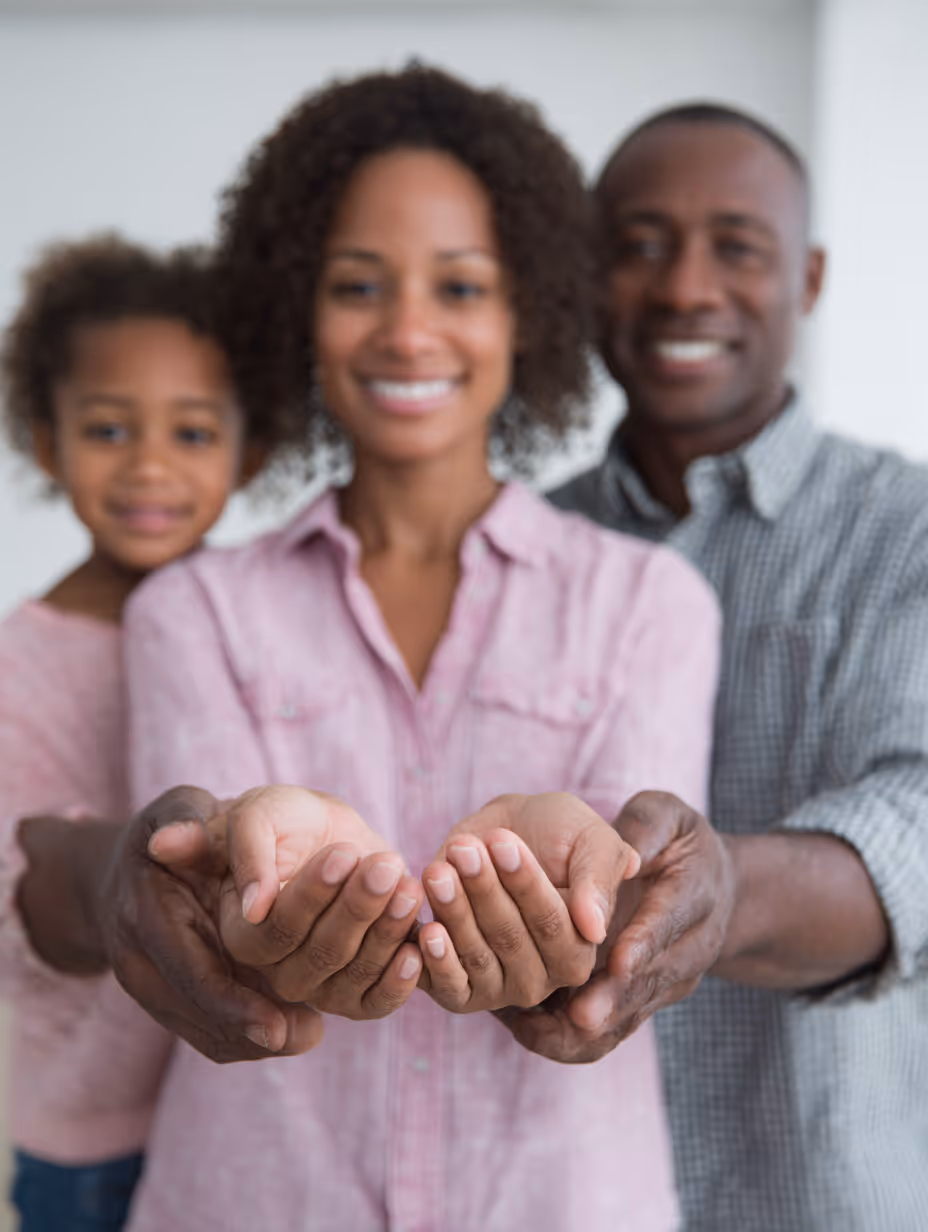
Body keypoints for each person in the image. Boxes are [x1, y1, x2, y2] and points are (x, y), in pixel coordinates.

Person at [83, 67, 721, 1231]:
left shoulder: (650, 602)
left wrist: (586, 916)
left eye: (461, 285)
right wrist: (251, 891)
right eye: (357, 284)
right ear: (296, 308)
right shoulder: (192, 609)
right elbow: (217, 912)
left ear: (528, 310)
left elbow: (629, 924)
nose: (409, 329)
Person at [542, 103, 928, 1230]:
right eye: (642, 243)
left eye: (736, 246)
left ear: (805, 277)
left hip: (825, 1192)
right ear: (583, 275)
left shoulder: (907, 528)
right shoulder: (512, 546)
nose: (684, 288)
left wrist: (717, 895)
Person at [0, 235, 271, 1231]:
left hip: (256, 1130)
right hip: (94, 1145)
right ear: (47, 440)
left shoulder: (260, 625)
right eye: (109, 429)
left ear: (254, 449)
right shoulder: (21, 659)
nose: (150, 465)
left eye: (193, 433)